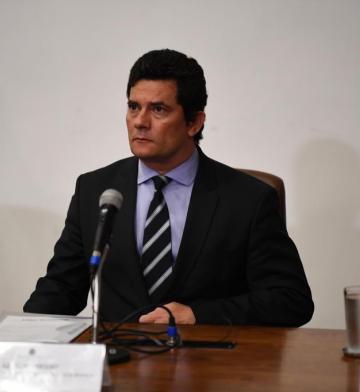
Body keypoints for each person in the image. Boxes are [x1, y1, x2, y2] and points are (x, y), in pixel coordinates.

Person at [24, 49, 314, 326]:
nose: (140, 121)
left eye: (158, 109)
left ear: (194, 122)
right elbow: (61, 288)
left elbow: (290, 300)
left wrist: (198, 314)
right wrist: (17, 339)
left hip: (210, 367)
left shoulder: (248, 199)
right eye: (133, 107)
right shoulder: (95, 190)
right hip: (118, 364)